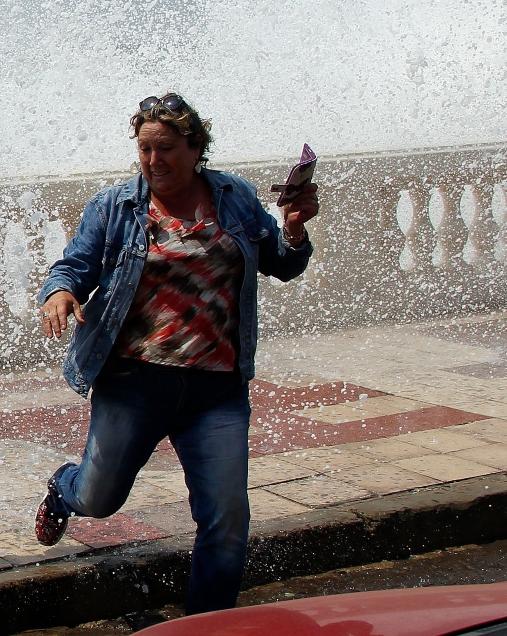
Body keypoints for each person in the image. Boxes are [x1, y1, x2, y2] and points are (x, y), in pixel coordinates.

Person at [33, 94, 318, 614]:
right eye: (144, 148)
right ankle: (62, 486)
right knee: (98, 499)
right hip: (133, 383)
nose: (153, 161)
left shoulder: (236, 198)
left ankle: (208, 626)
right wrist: (59, 292)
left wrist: (295, 229)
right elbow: (74, 265)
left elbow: (281, 262)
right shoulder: (114, 206)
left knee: (227, 519)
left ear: (196, 147)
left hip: (217, 390)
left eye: (165, 148)